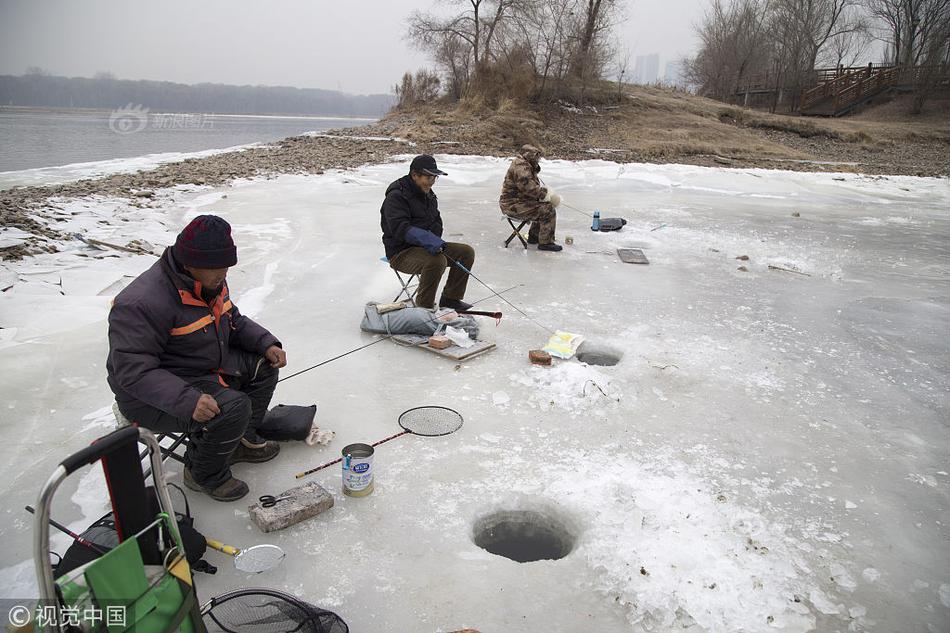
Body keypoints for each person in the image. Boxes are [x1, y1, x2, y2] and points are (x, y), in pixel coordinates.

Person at [107, 215, 287, 502]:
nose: (223, 274)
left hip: (201, 365)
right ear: (188, 263)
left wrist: (265, 343)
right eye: (215, 267)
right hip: (149, 396)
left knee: (263, 366)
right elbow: (133, 371)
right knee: (232, 407)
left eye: (226, 266)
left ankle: (239, 440)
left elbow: (232, 319)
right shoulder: (141, 302)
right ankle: (203, 472)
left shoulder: (210, 283)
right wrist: (187, 400)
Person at [380, 154, 476, 311]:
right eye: (429, 177)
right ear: (414, 175)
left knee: (465, 252)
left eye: (434, 177)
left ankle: (450, 299)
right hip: (400, 252)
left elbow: (436, 221)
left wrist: (434, 240)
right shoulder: (396, 196)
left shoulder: (428, 194)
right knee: (436, 261)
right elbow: (400, 228)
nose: (432, 182)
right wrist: (428, 240)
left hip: (425, 247)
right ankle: (424, 308)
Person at [499, 145, 563, 252]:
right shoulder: (521, 167)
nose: (538, 160)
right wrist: (547, 196)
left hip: (517, 202)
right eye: (536, 157)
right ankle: (546, 242)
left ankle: (534, 237)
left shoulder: (525, 164)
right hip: (512, 205)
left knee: (539, 205)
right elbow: (530, 189)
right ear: (529, 156)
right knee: (547, 209)